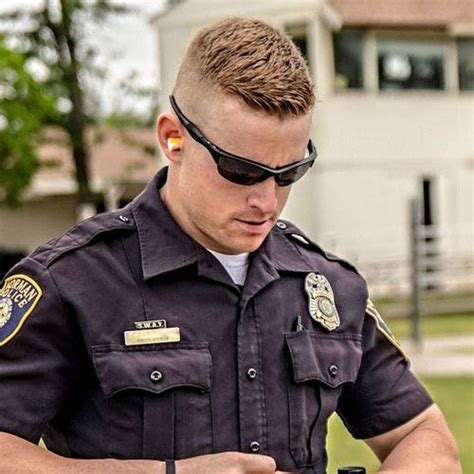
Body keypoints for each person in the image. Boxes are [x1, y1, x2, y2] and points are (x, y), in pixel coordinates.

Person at [0, 17, 460, 474]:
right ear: (172, 138)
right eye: (240, 170)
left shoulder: (328, 287)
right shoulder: (71, 280)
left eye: (288, 174)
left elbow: (425, 437)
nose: (265, 201)